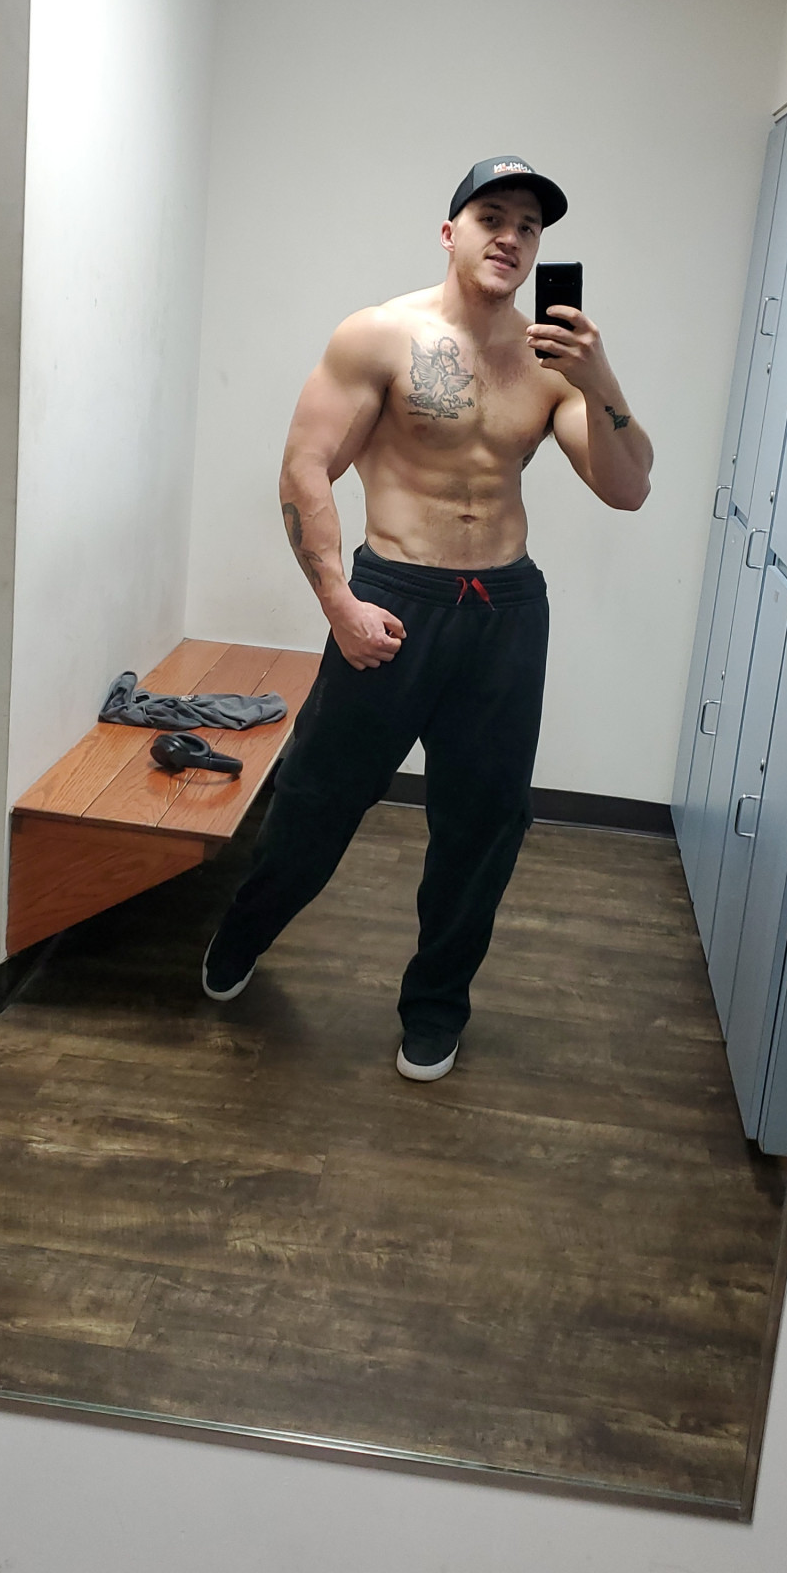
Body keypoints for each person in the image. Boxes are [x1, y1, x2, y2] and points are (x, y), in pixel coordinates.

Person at [202, 155, 653, 1080]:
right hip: (394, 601)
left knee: (483, 826)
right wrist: (338, 603)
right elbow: (305, 465)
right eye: (493, 216)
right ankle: (243, 931)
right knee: (318, 800)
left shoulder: (553, 363)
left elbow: (628, 487)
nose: (511, 237)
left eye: (528, 226)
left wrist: (600, 375)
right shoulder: (380, 336)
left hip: (504, 613)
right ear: (451, 233)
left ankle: (437, 1005)